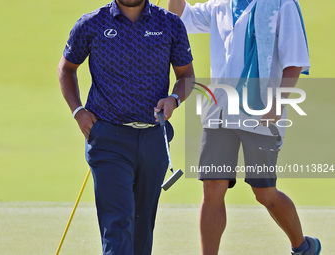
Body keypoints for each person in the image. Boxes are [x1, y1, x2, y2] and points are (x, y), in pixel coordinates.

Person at [168, 0, 321, 254]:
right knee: (212, 187)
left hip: (261, 113)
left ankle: (302, 246)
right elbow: (179, 17)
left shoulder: (282, 4)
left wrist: (279, 101)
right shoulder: (219, 4)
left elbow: (294, 60)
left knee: (264, 192)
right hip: (219, 113)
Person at [57, 0, 194, 253]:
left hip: (153, 138)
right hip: (108, 138)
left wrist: (174, 99)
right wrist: (78, 112)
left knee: (142, 230)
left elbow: (186, 76)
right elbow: (66, 69)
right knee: (118, 225)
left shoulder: (169, 23)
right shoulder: (91, 23)